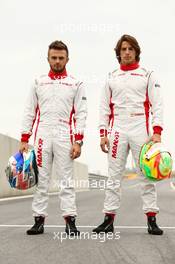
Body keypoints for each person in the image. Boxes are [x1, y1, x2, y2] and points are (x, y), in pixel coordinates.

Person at [93, 34, 164, 235]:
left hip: (140, 127)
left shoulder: (148, 74)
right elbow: (103, 107)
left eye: (130, 49)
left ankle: (152, 219)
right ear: (118, 53)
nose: (126, 52)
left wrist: (157, 131)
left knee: (145, 175)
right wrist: (103, 133)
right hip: (117, 130)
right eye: (123, 49)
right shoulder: (111, 76)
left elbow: (157, 105)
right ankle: (108, 219)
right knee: (113, 176)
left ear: (136, 52)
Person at [20, 40, 87, 235]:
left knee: (66, 180)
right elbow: (29, 111)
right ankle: (38, 220)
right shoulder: (38, 81)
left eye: (61, 58)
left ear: (67, 59)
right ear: (48, 58)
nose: (57, 61)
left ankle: (70, 221)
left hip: (64, 134)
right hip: (43, 134)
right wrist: (25, 138)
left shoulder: (76, 83)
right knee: (41, 179)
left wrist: (78, 141)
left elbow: (81, 114)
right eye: (54, 58)